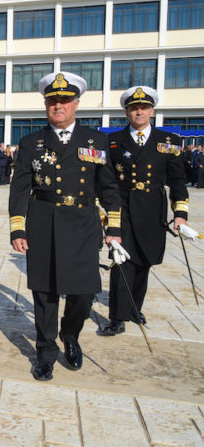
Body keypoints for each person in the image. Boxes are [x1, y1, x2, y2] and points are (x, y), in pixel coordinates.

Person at [9, 71, 125, 382]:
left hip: (83, 224)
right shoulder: (32, 142)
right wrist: (18, 229)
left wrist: (113, 229)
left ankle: (70, 336)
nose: (58, 105)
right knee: (44, 293)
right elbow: (20, 188)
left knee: (84, 292)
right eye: (52, 101)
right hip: (42, 222)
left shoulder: (95, 140)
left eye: (64, 100)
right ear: (46, 104)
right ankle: (46, 351)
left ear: (76, 104)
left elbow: (109, 187)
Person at [99, 87, 189, 335]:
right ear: (127, 112)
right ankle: (118, 317)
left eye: (143, 108)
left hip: (153, 211)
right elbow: (106, 181)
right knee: (122, 263)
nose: (138, 111)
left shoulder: (169, 141)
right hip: (123, 209)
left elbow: (178, 180)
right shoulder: (113, 141)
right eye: (133, 108)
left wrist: (180, 214)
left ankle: (134, 308)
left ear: (151, 111)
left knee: (144, 262)